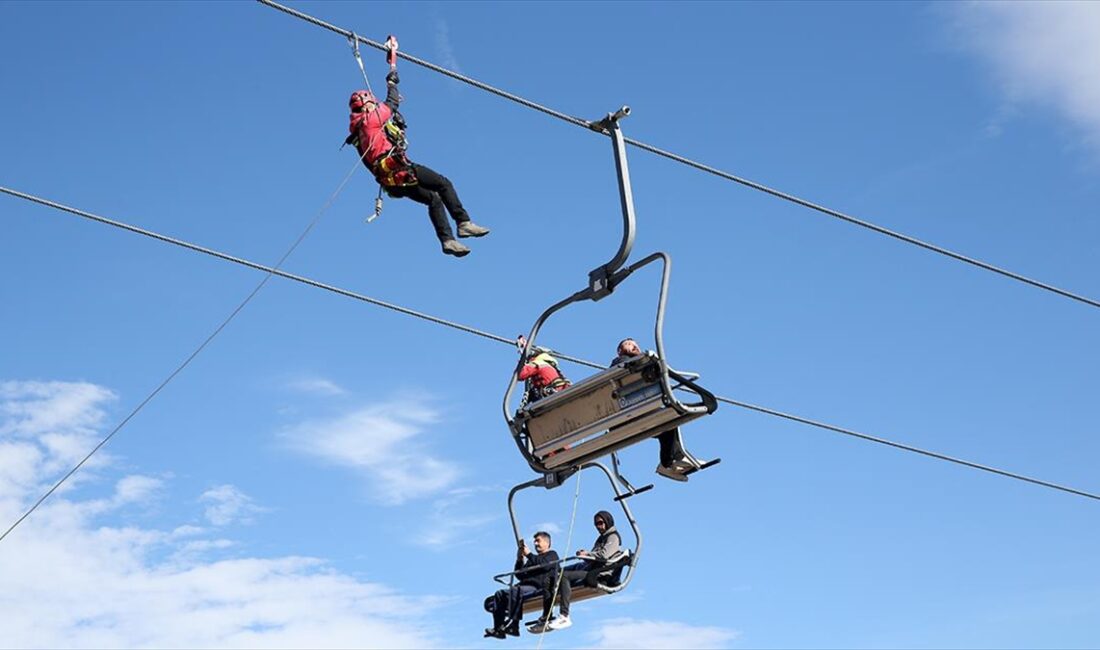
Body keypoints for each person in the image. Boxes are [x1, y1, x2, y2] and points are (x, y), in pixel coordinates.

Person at [346, 68, 490, 258]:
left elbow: (385, 132)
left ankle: (447, 240)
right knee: (443, 183)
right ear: (366, 105)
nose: (375, 106)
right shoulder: (370, 120)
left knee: (433, 199)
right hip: (399, 169)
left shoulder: (359, 134)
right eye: (373, 104)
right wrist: (391, 84)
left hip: (392, 181)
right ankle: (463, 223)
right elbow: (391, 103)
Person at [612, 338, 701, 481]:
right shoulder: (621, 364)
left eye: (636, 345)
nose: (635, 347)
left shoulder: (634, 367)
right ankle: (671, 461)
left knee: (666, 428)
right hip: (629, 414)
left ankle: (669, 463)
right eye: (630, 344)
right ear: (619, 350)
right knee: (670, 416)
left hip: (630, 416)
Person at [530, 510, 621, 633]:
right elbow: (595, 556)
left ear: (607, 521)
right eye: (596, 524)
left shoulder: (613, 537)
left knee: (564, 576)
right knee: (552, 576)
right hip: (590, 568)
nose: (599, 527)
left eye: (600, 523)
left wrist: (587, 554)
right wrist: (585, 555)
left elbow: (604, 555)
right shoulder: (601, 538)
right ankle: (547, 615)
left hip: (599, 573)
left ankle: (564, 616)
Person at [485, 531, 560, 639]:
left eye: (538, 541)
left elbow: (545, 566)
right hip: (525, 586)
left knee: (516, 590)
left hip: (538, 586)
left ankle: (514, 625)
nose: (535, 544)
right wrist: (519, 559)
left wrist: (529, 554)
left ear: (547, 542)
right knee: (499, 594)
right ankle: (499, 628)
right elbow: (520, 575)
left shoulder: (552, 555)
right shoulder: (533, 559)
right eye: (535, 541)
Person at [516, 335, 570, 405]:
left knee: (532, 395)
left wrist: (522, 360)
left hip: (552, 396)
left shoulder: (537, 364)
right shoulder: (548, 365)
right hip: (559, 394)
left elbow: (520, 375)